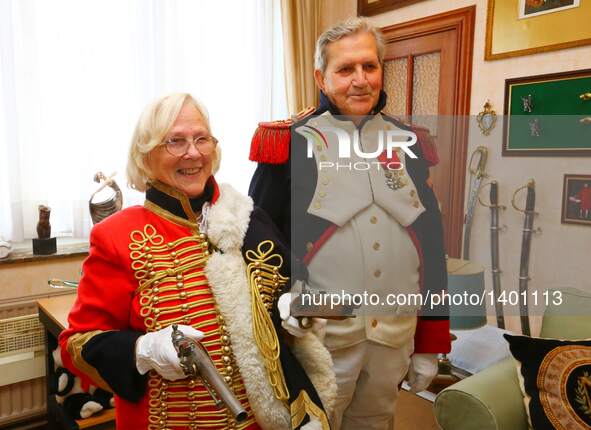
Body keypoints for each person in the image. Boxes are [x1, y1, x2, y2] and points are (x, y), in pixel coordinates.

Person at [59, 93, 336, 430]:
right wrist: (143, 350)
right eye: (175, 141)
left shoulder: (249, 216)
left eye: (202, 139)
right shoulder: (116, 235)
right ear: (146, 156)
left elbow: (306, 295)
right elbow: (77, 345)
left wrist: (300, 310)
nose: (193, 152)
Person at [248, 18, 450, 430]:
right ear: (321, 77)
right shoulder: (288, 143)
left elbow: (430, 247)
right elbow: (259, 253)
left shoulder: (409, 142)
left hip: (394, 336)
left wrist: (430, 341)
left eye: (369, 66)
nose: (360, 80)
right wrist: (277, 333)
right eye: (345, 69)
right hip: (318, 341)